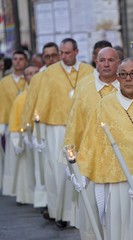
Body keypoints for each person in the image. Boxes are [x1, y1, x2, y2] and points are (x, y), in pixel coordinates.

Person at [76, 58, 133, 240]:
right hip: (116, 181)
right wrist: (83, 173)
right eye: (123, 74)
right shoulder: (104, 105)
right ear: (118, 77)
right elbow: (92, 139)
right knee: (120, 231)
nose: (128, 78)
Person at [33, 38, 94, 228]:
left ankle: (80, 215)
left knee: (80, 172)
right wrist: (39, 134)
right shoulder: (49, 73)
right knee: (58, 173)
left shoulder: (89, 71)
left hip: (82, 127)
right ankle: (60, 214)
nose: (63, 56)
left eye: (67, 52)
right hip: (56, 127)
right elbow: (42, 102)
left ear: (76, 51)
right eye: (61, 52)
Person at [64, 46, 121, 238]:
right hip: (90, 161)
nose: (106, 64)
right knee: (91, 218)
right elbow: (75, 124)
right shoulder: (86, 89)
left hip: (120, 161)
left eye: (111, 60)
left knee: (119, 216)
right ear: (96, 62)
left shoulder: (127, 87)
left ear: (118, 63)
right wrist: (70, 161)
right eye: (102, 60)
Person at [20, 42, 60, 212]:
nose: (51, 59)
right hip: (43, 127)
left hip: (64, 125)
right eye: (47, 56)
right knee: (46, 169)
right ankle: (50, 206)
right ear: (43, 58)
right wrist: (25, 128)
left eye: (54, 55)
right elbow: (30, 103)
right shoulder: (39, 76)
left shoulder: (66, 73)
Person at [8, 64, 39, 204]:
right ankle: (29, 197)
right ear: (25, 77)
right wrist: (17, 141)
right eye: (29, 73)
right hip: (27, 138)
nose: (33, 76)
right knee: (28, 170)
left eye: (35, 73)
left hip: (43, 137)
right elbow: (15, 121)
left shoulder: (45, 94)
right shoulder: (20, 99)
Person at [0, 50, 28, 196]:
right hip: (10, 124)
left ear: (26, 61)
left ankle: (26, 191)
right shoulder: (4, 82)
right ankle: (14, 190)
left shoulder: (30, 79)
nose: (18, 61)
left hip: (27, 125)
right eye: (15, 59)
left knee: (26, 161)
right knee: (12, 159)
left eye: (21, 59)